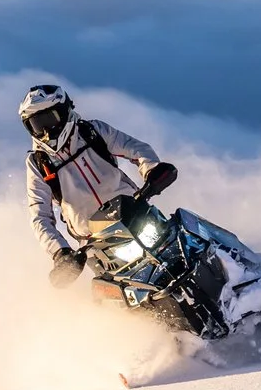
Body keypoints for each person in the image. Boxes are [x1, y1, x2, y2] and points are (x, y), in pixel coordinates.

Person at [20, 85, 177, 288]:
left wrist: (153, 169)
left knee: (181, 241)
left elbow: (134, 148)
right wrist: (60, 252)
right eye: (37, 125)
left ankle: (225, 265)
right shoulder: (38, 163)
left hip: (134, 212)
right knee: (115, 293)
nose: (46, 131)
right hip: (96, 241)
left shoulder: (92, 131)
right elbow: (40, 216)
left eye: (50, 120)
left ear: (65, 111)